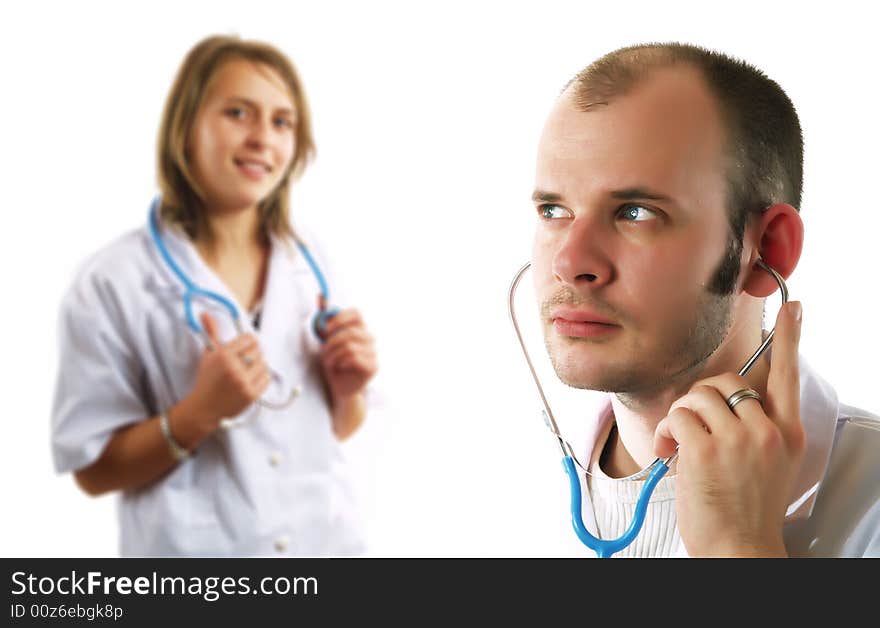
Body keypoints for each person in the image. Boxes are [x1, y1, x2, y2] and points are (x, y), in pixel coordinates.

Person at [528, 42, 879, 557]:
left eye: (635, 212)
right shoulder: (491, 491)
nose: (568, 261)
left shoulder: (867, 500)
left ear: (766, 253)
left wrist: (740, 549)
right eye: (554, 210)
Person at [51, 35, 378, 557]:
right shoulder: (113, 282)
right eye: (238, 113)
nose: (261, 139)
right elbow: (92, 471)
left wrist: (349, 389)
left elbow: (341, 426)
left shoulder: (309, 262)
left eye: (281, 122)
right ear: (186, 128)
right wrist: (198, 412)